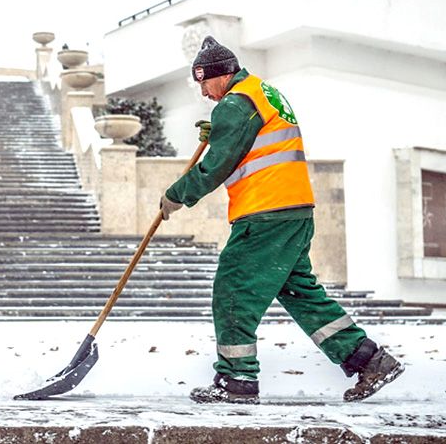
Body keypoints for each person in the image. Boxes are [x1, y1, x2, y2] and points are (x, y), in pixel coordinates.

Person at [160, 36, 403, 404]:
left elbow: (216, 166)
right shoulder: (263, 92)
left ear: (220, 75)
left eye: (204, 83)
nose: (205, 94)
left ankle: (236, 381)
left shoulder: (235, 103)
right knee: (300, 293)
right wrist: (223, 130)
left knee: (233, 291)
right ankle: (369, 360)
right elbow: (251, 144)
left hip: (265, 215)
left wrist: (176, 195)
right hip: (294, 211)